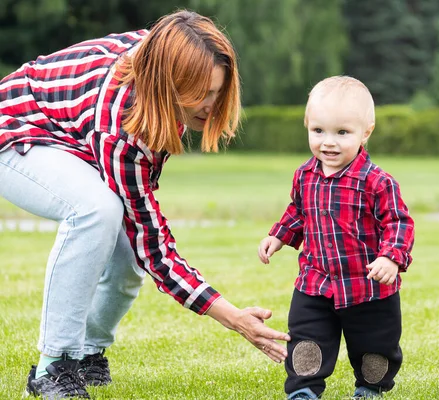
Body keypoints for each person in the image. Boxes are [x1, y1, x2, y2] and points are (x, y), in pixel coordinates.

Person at [0, 10, 290, 399]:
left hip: (72, 137)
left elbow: (142, 244)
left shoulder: (165, 59)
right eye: (200, 94)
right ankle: (55, 366)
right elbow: (156, 248)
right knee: (96, 210)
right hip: (17, 127)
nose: (210, 104)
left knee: (127, 254)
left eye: (217, 91)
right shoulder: (121, 125)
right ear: (167, 86)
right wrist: (234, 317)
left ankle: (89, 354)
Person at [257, 76, 415, 399]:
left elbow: (399, 222)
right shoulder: (305, 175)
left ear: (365, 132)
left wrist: (390, 257)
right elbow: (299, 212)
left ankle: (370, 388)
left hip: (368, 288)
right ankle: (303, 390)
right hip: (315, 284)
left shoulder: (377, 182)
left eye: (342, 133)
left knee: (376, 347)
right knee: (306, 341)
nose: (328, 142)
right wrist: (279, 236)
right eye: (318, 131)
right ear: (307, 126)